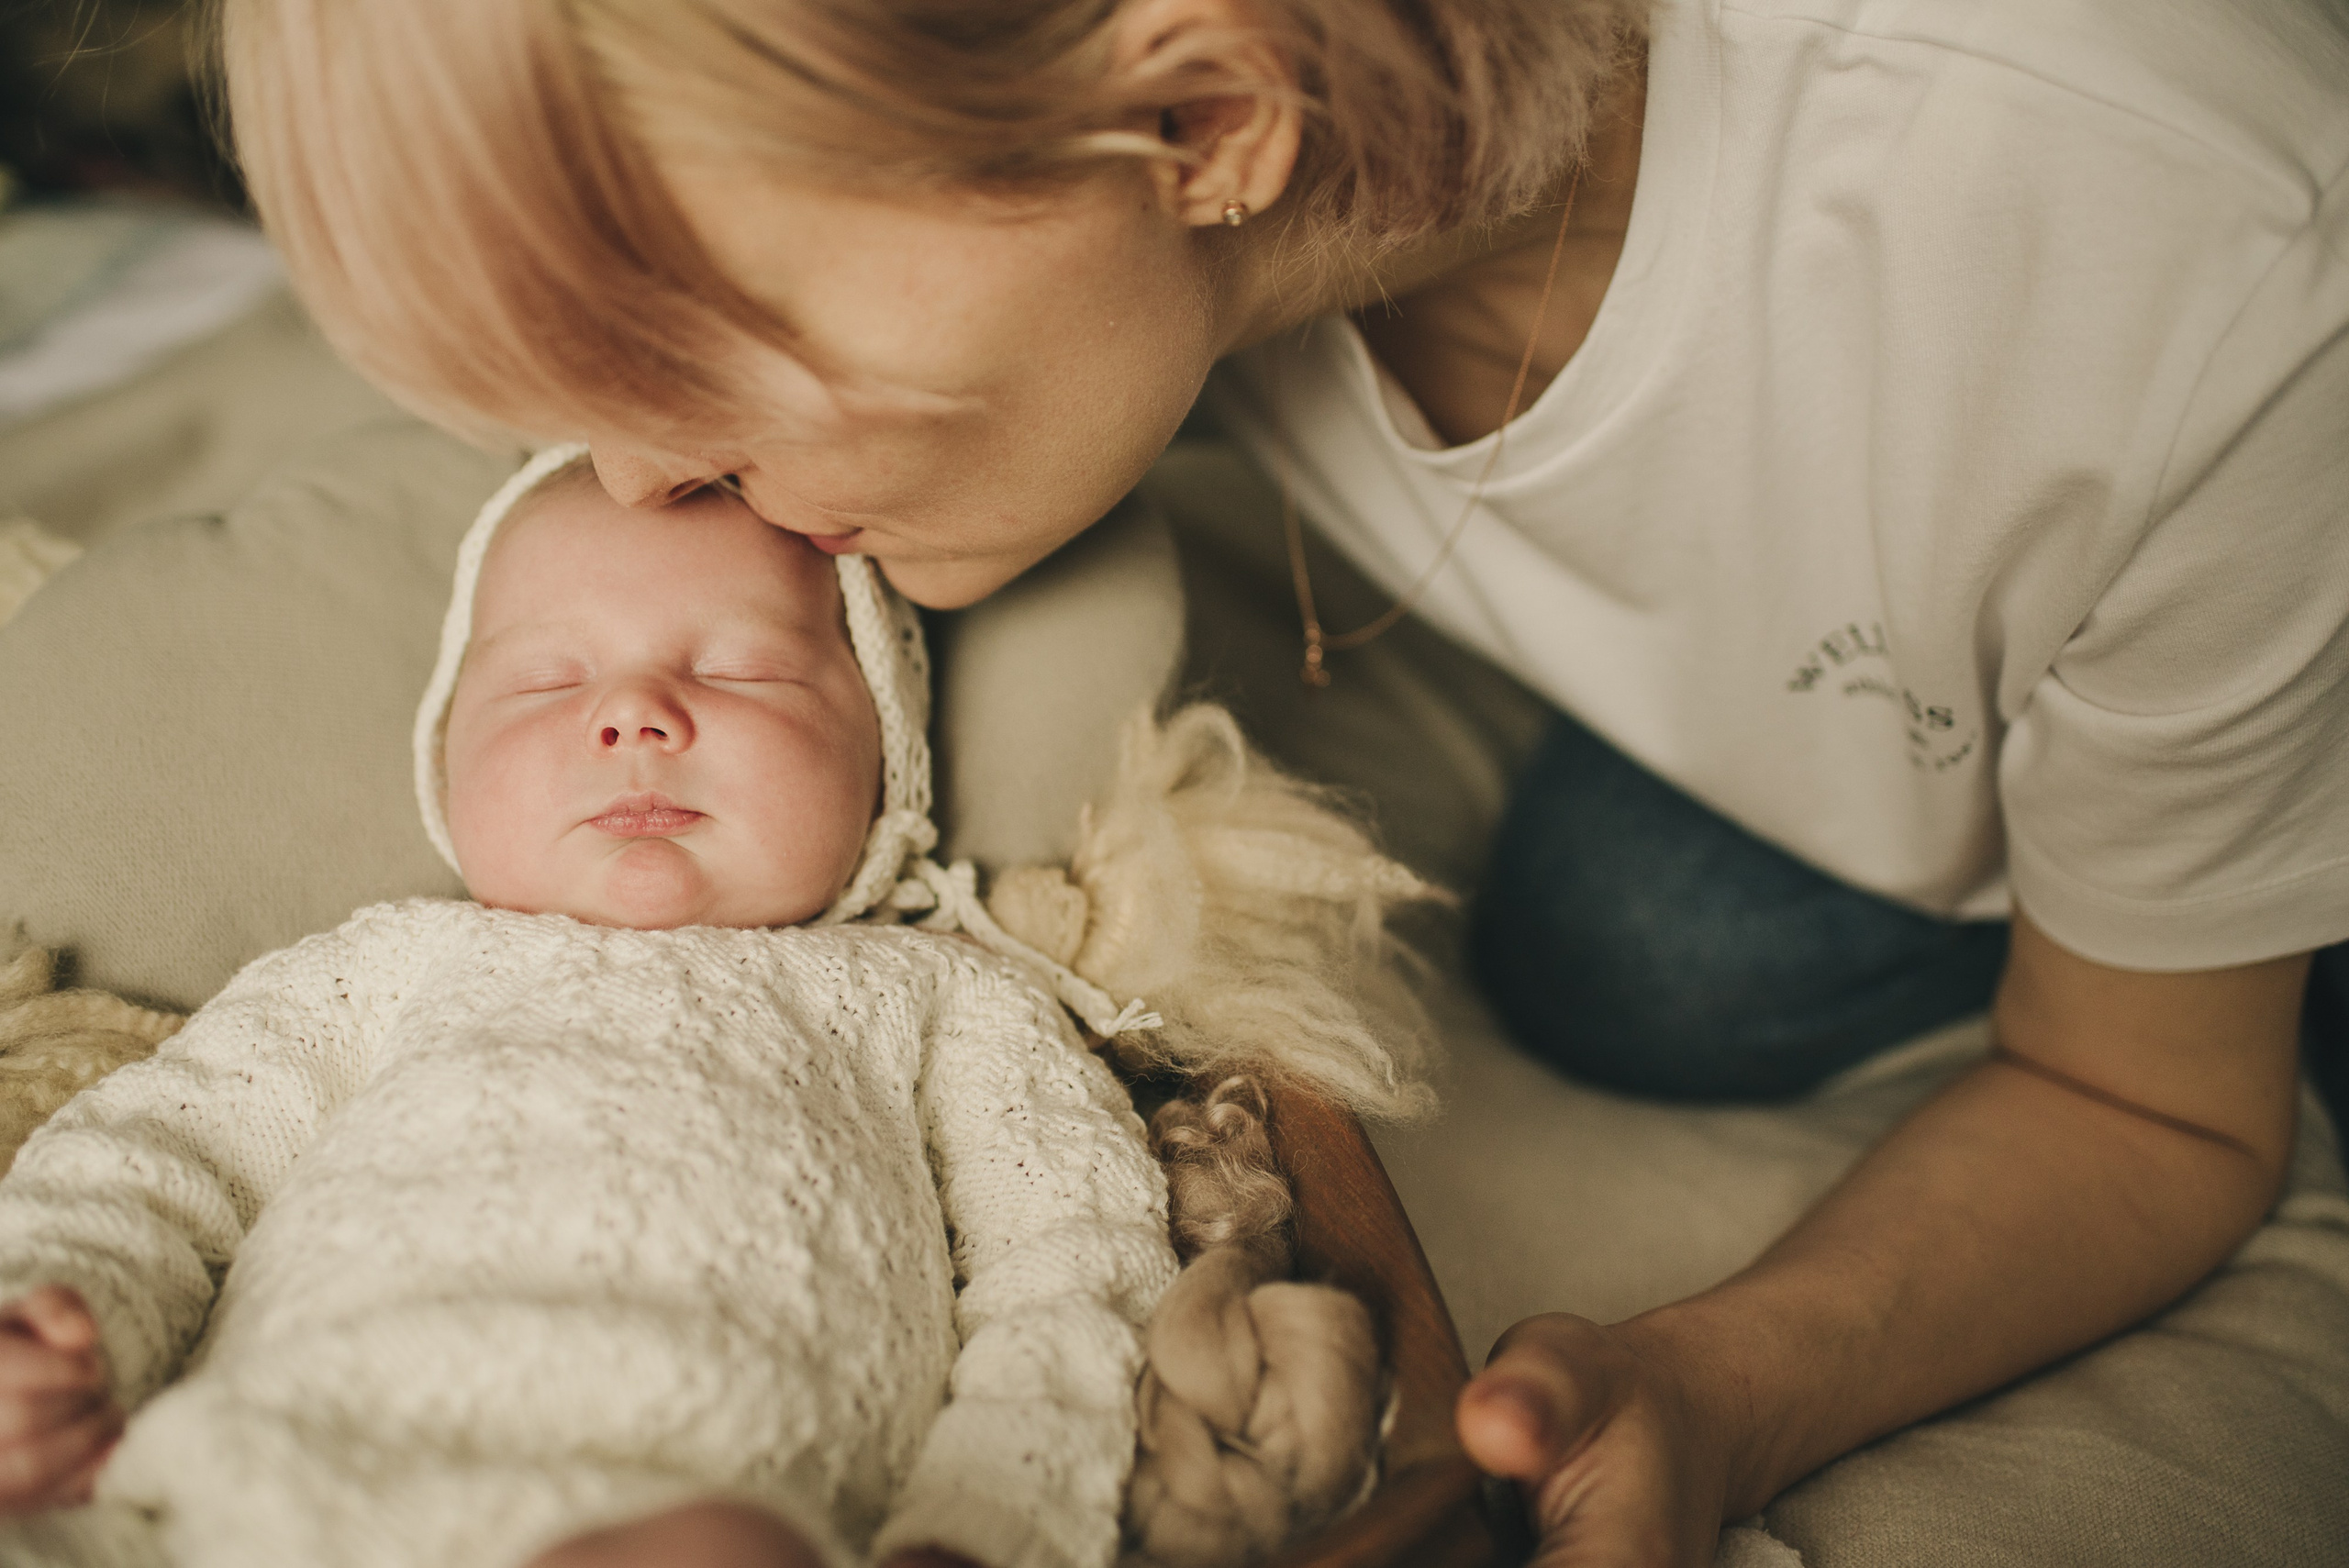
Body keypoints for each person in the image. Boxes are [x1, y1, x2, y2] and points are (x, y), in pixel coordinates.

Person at [217, 0, 2349, 1562]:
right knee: (1631, 954)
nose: (635, 486)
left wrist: (1731, 1379)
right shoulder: (1156, 205)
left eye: (683, 364)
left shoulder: (2188, 280)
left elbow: (2147, 1099)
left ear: (1202, 111)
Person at [0, 454, 1185, 1568]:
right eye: (546, 680)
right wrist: (57, 1325)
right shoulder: (387, 965)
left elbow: (1078, 1256)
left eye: (739, 669)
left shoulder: (942, 993)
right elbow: (157, 1157)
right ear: (448, 768)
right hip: (267, 1483)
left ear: (886, 759)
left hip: (719, 1510)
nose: (633, 715)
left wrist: (986, 1524)